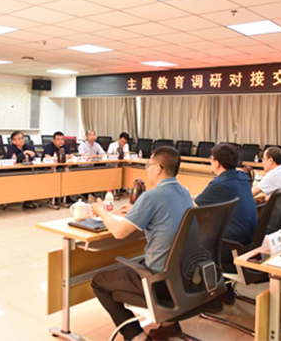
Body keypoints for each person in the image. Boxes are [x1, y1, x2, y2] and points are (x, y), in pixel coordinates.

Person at [91, 146, 193, 341]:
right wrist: (137, 211)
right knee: (137, 263)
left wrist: (101, 211)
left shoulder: (152, 196)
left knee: (99, 282)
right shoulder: (184, 193)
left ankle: (137, 336)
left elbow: (119, 232)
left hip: (159, 281)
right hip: (184, 276)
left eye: (149, 165)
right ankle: (169, 325)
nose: (147, 170)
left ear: (158, 168)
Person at [194, 143, 257, 274]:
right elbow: (204, 197)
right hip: (248, 242)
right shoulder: (242, 177)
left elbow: (193, 208)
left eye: (211, 159)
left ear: (217, 163)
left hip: (230, 246)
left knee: (187, 242)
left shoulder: (219, 184)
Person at [4, 131, 38, 208]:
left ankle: (28, 201)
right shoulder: (11, 148)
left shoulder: (28, 146)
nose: (21, 140)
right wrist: (24, 153)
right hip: (13, 171)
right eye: (19, 139)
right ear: (13, 141)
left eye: (22, 138)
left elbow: (35, 156)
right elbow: (14, 160)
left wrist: (27, 157)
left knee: (32, 179)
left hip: (26, 170)